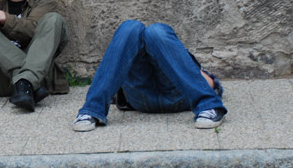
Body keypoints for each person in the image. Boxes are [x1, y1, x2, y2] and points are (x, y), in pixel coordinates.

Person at [72, 20, 227, 131]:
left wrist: (208, 84)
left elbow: (210, 83)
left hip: (177, 96)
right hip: (141, 98)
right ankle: (92, 110)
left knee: (156, 32)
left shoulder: (174, 54)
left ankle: (209, 106)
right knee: (130, 27)